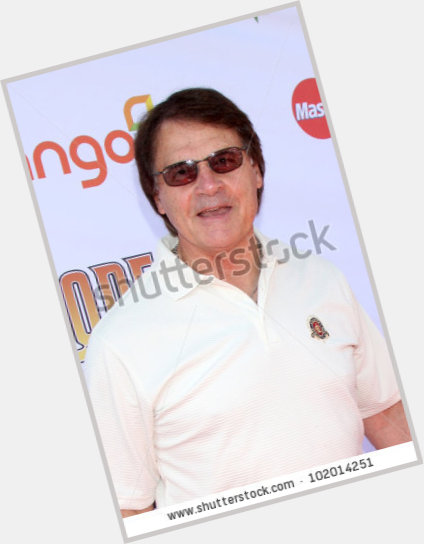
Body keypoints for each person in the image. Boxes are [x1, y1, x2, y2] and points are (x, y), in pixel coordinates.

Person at [84, 88, 411, 518]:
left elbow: (385, 415)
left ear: (255, 170)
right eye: (182, 173)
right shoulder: (120, 341)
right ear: (157, 196)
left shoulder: (322, 279)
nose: (209, 185)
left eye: (224, 161)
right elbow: (129, 509)